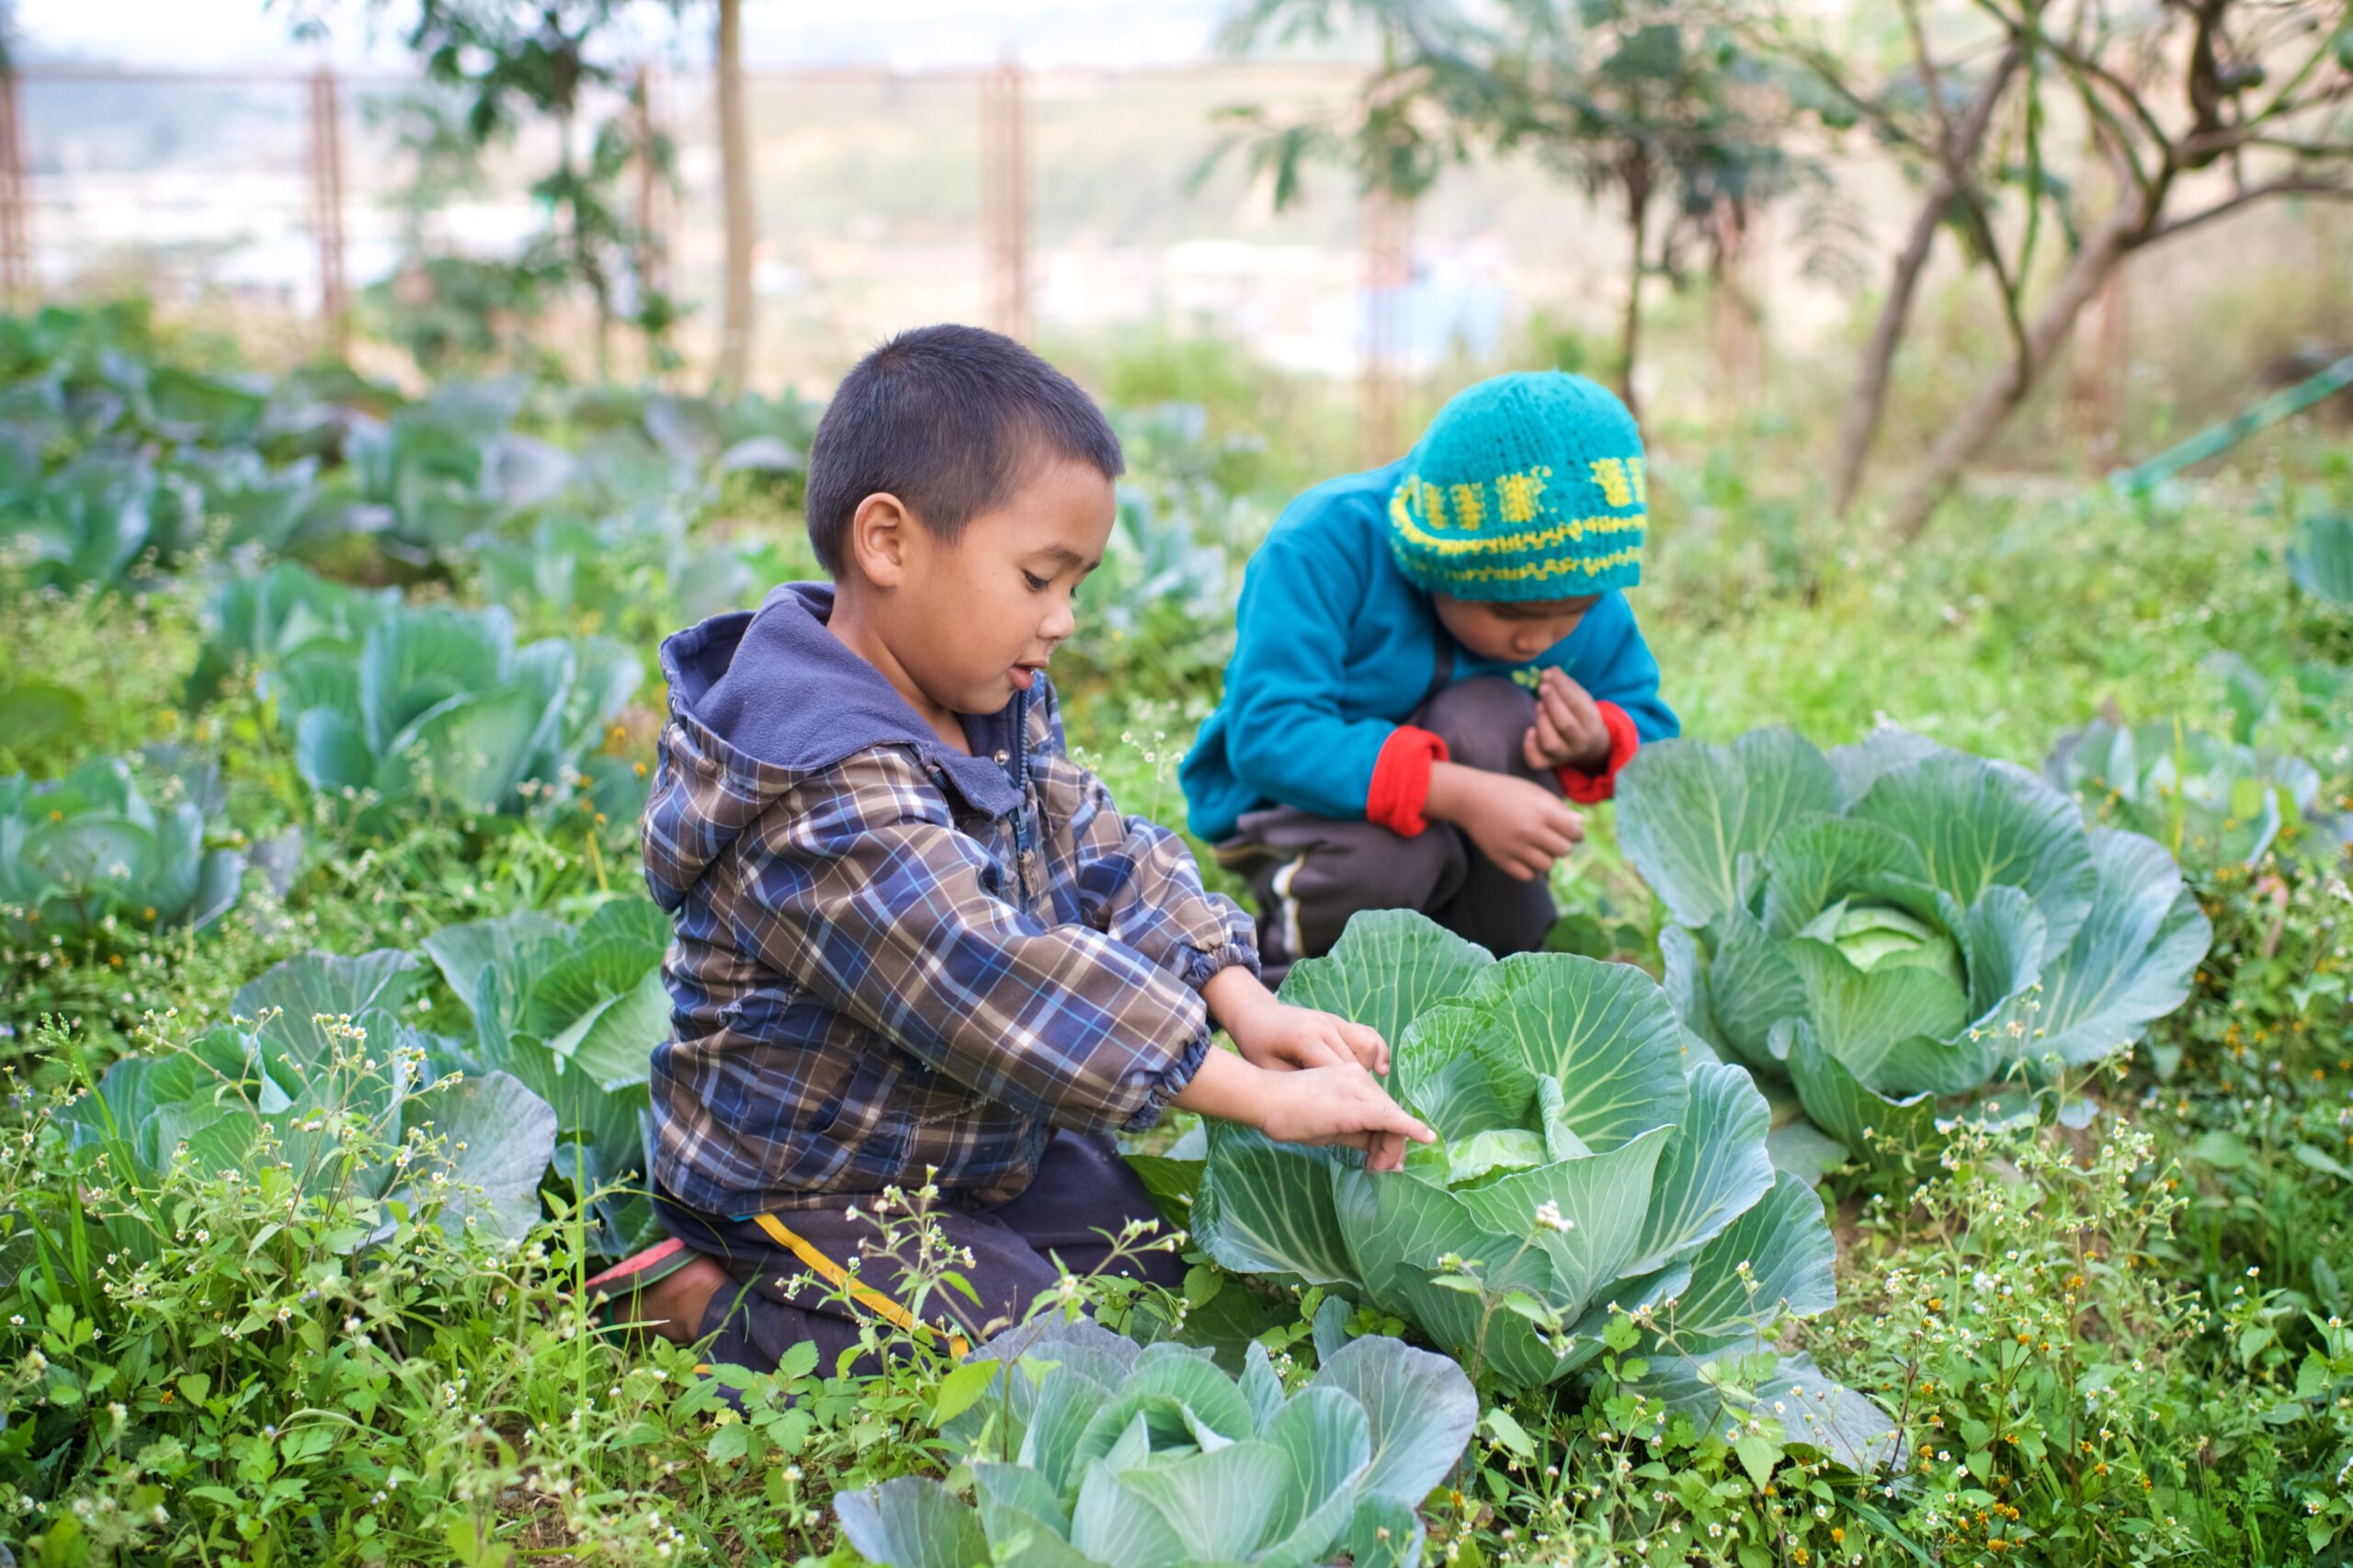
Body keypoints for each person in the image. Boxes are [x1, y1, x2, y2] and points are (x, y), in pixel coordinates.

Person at [587, 324, 1432, 1369]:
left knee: (1160, 1280)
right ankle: (698, 1294)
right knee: (1032, 1358)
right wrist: (1254, 1093)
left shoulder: (985, 694)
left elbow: (1102, 847)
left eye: (1075, 585)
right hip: (805, 1179)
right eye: (1039, 578)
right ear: (888, 542)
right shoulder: (812, 784)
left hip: (975, 1139)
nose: (1063, 619)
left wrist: (1244, 999)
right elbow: (985, 975)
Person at [1180, 371, 1680, 980]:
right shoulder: (1323, 544)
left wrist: (1598, 739)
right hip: (1302, 815)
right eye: (1509, 613)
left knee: (1491, 713)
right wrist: (1461, 794)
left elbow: (1653, 733)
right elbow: (1269, 734)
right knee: (1391, 857)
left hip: (1467, 833)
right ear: (1436, 564)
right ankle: (1302, 972)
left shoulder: (1570, 575)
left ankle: (1501, 961)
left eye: (1574, 614)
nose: (1537, 640)